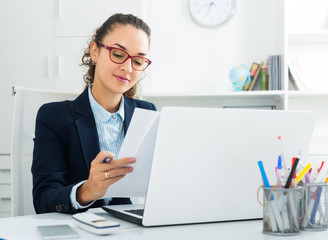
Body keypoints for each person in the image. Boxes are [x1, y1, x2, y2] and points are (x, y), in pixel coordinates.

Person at [32, 13, 156, 214]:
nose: (127, 68)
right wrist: (87, 190)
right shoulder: (53, 117)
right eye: (118, 54)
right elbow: (43, 200)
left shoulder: (147, 113)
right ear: (95, 51)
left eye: (138, 61)